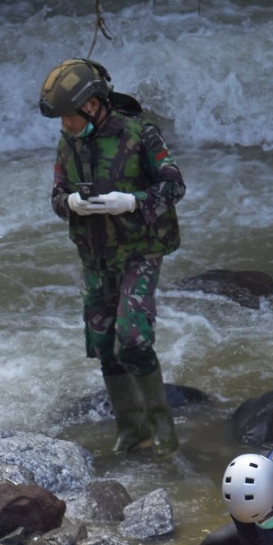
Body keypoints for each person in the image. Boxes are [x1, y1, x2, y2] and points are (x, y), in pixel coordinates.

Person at [41, 58, 186, 456]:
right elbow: (55, 197)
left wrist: (131, 201)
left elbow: (174, 185)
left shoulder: (140, 134)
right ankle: (130, 430)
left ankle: (162, 427)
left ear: (92, 105)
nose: (64, 126)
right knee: (104, 345)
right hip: (95, 254)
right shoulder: (68, 141)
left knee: (134, 340)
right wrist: (70, 202)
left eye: (68, 117)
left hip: (139, 250)